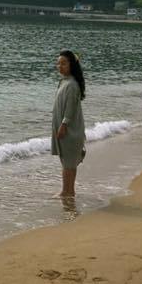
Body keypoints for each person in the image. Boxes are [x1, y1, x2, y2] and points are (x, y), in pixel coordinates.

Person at [51, 50, 86, 198]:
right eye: (58, 63)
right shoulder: (64, 82)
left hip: (69, 130)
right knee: (67, 162)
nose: (60, 66)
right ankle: (69, 191)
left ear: (72, 65)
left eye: (64, 63)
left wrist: (64, 125)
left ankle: (67, 192)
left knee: (68, 163)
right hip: (64, 127)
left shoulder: (72, 84)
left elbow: (70, 108)